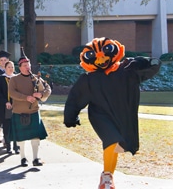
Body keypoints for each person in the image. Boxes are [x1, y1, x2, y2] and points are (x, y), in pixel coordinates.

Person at [63, 37, 161, 189]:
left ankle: (107, 176)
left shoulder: (127, 70)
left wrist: (140, 62)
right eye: (97, 57)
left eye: (104, 54)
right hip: (100, 116)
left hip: (121, 114)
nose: (101, 59)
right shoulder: (88, 79)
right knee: (112, 140)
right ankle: (107, 177)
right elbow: (75, 98)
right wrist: (70, 117)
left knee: (117, 144)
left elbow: (152, 65)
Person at [8, 47, 51, 167]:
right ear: (20, 67)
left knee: (36, 138)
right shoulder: (14, 80)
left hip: (33, 111)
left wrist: (41, 94)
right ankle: (23, 158)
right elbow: (12, 93)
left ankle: (36, 159)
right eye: (25, 65)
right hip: (19, 112)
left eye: (29, 64)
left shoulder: (36, 78)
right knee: (21, 139)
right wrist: (26, 97)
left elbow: (48, 89)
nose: (28, 67)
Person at [0, 61, 19, 154]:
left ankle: (16, 146)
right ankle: (8, 145)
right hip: (5, 107)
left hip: (16, 106)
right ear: (5, 68)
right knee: (7, 126)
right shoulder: (0, 79)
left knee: (16, 126)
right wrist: (6, 102)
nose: (11, 68)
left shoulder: (17, 78)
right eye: (9, 67)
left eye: (12, 67)